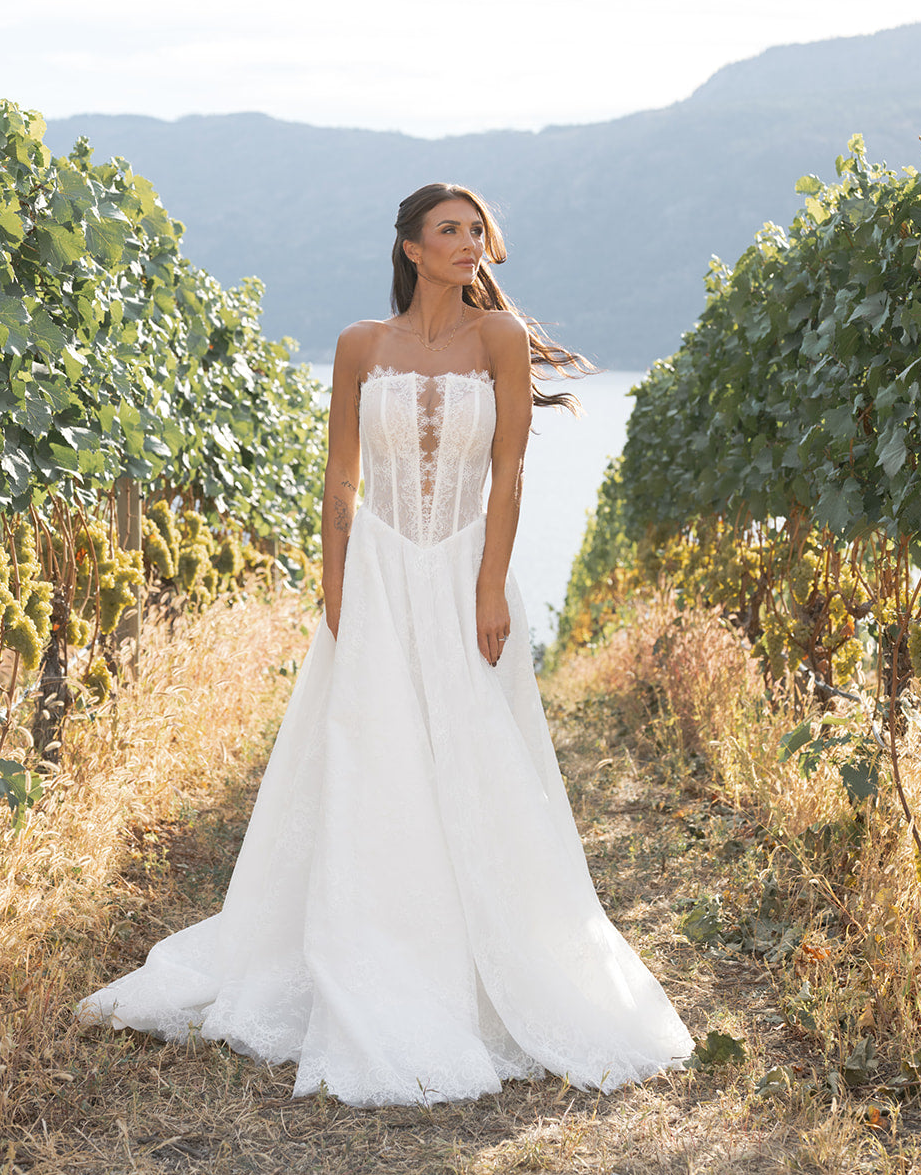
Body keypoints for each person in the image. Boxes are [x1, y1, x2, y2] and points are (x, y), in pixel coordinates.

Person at [78, 182, 693, 1106]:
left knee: (476, 753)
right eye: (448, 230)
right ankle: (371, 947)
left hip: (458, 575)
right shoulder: (361, 344)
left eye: (476, 230)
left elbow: (511, 471)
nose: (468, 243)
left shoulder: (500, 342)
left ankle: (491, 962)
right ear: (409, 247)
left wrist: (488, 584)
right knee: (373, 758)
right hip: (375, 572)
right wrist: (335, 586)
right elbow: (339, 481)